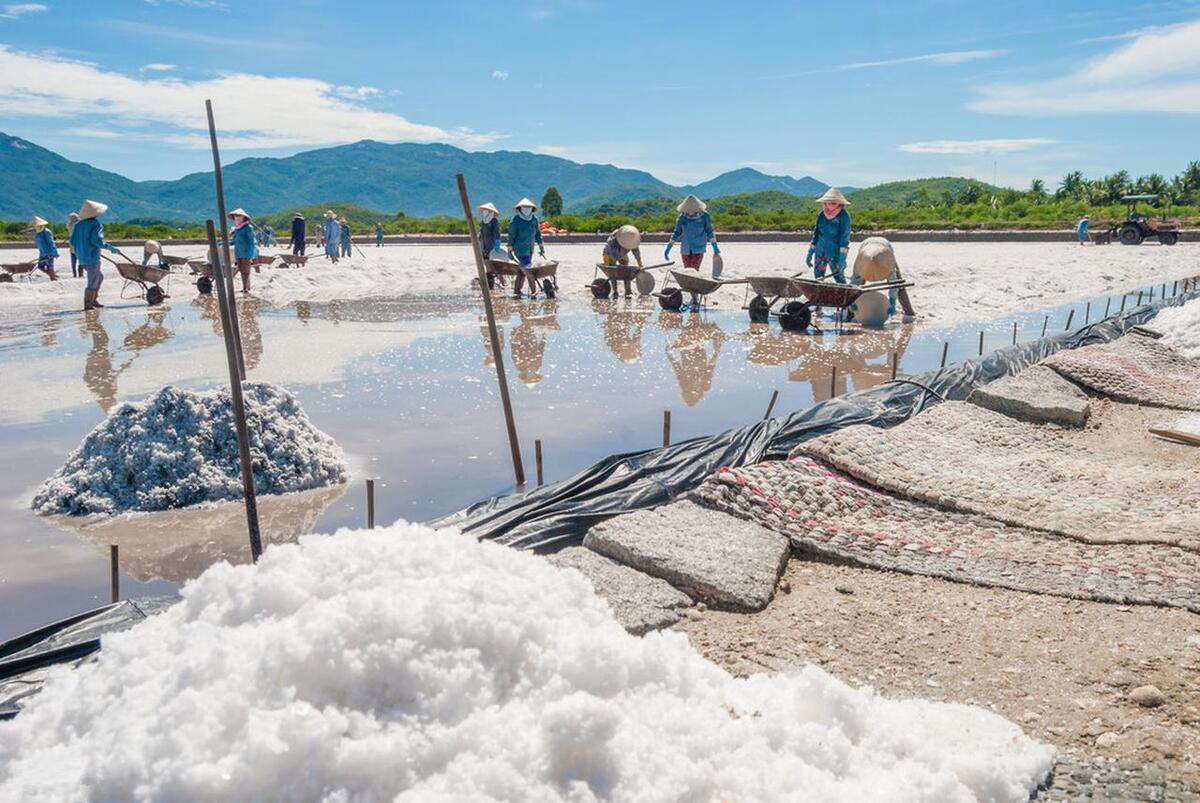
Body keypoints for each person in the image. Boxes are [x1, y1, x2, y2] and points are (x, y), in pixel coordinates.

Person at [70, 199, 122, 310]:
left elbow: (73, 241)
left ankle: (94, 299)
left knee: (99, 277)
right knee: (93, 280)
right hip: (92, 257)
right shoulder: (95, 224)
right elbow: (97, 241)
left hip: (81, 258)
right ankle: (88, 305)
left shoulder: (78, 224)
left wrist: (82, 250)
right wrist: (110, 247)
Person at [807, 187, 851, 283]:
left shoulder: (844, 216)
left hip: (835, 252)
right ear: (825, 202)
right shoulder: (822, 215)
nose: (830, 204)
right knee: (818, 277)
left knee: (838, 277)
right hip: (820, 251)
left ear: (840, 203)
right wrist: (810, 252)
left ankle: (844, 296)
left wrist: (842, 258)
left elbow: (845, 237)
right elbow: (816, 233)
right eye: (828, 202)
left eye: (834, 202)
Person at [665, 194, 719, 271]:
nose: (690, 212)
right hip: (685, 248)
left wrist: (715, 246)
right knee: (687, 271)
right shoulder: (682, 217)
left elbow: (709, 231)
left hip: (699, 247)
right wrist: (669, 247)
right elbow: (677, 233)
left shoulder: (705, 216)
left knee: (695, 270)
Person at [851, 236, 899, 319]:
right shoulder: (860, 265)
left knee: (898, 282)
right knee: (859, 286)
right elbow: (854, 285)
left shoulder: (888, 264)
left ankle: (908, 312)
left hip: (885, 246)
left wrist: (892, 302)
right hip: (865, 246)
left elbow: (894, 286)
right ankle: (851, 313)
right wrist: (852, 302)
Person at [507, 198, 544, 298]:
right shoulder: (516, 220)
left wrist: (541, 246)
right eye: (524, 208)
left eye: (528, 208)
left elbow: (538, 234)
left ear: (532, 209)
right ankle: (533, 290)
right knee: (528, 269)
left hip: (530, 249)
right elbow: (511, 235)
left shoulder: (534, 219)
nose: (526, 209)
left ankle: (517, 291)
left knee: (522, 271)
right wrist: (509, 250)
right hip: (519, 249)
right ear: (520, 209)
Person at [601, 224, 644, 297]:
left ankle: (628, 291)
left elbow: (636, 253)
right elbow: (606, 250)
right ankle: (615, 291)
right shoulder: (613, 239)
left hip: (623, 255)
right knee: (612, 273)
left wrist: (640, 265)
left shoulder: (632, 239)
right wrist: (606, 264)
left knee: (626, 272)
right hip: (610, 255)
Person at [229, 207, 257, 293]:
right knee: (241, 270)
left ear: (243, 217)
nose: (237, 217)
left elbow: (252, 240)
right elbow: (234, 240)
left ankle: (246, 287)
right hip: (238, 252)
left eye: (239, 216)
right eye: (235, 216)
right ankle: (245, 286)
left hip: (246, 251)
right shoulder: (236, 229)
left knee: (246, 270)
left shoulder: (248, 227)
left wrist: (252, 253)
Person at [478, 202, 505, 287]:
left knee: (494, 266)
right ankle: (491, 282)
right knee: (487, 265)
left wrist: (497, 246)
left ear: (491, 212)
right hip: (484, 247)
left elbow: (497, 234)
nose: (485, 212)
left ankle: (501, 281)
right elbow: (481, 233)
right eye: (484, 210)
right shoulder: (483, 221)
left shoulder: (494, 221)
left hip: (492, 247)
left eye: (487, 210)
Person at [28, 216, 60, 281]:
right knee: (40, 267)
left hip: (49, 253)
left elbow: (51, 243)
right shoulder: (37, 234)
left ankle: (53, 279)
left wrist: (55, 253)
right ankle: (53, 275)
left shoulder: (47, 232)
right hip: (42, 253)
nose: (36, 227)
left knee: (50, 267)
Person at [66, 212, 80, 278]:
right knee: (80, 259)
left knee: (73, 260)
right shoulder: (78, 224)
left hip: (71, 244)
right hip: (79, 243)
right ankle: (80, 273)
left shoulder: (69, 225)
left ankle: (74, 274)